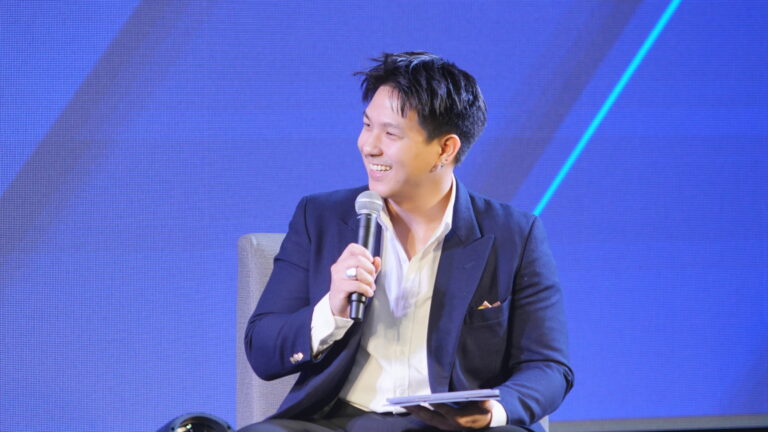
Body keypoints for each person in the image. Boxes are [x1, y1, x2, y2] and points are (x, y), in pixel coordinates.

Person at [242, 52, 573, 432]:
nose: (369, 146)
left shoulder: (514, 234)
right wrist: (330, 308)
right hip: (338, 421)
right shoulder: (320, 217)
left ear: (445, 149)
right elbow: (262, 350)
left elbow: (549, 367)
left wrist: (489, 412)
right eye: (367, 125)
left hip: (453, 425)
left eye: (391, 134)